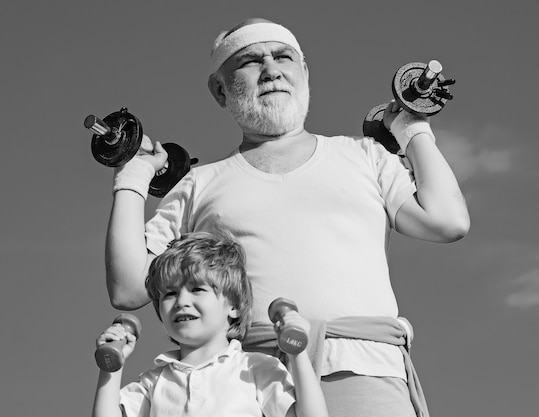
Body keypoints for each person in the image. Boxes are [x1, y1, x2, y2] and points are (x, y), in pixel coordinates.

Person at [104, 18, 470, 417]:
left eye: (283, 57)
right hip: (246, 387)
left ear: (304, 71)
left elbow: (447, 221)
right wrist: (134, 178)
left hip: (363, 373)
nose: (272, 70)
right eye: (251, 61)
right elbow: (128, 289)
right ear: (219, 90)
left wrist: (410, 127)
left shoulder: (364, 155)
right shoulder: (198, 184)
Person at [93, 231, 328, 417]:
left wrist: (298, 355)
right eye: (170, 294)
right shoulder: (155, 381)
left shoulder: (254, 368)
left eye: (197, 289)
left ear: (233, 305)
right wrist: (111, 369)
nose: (181, 302)